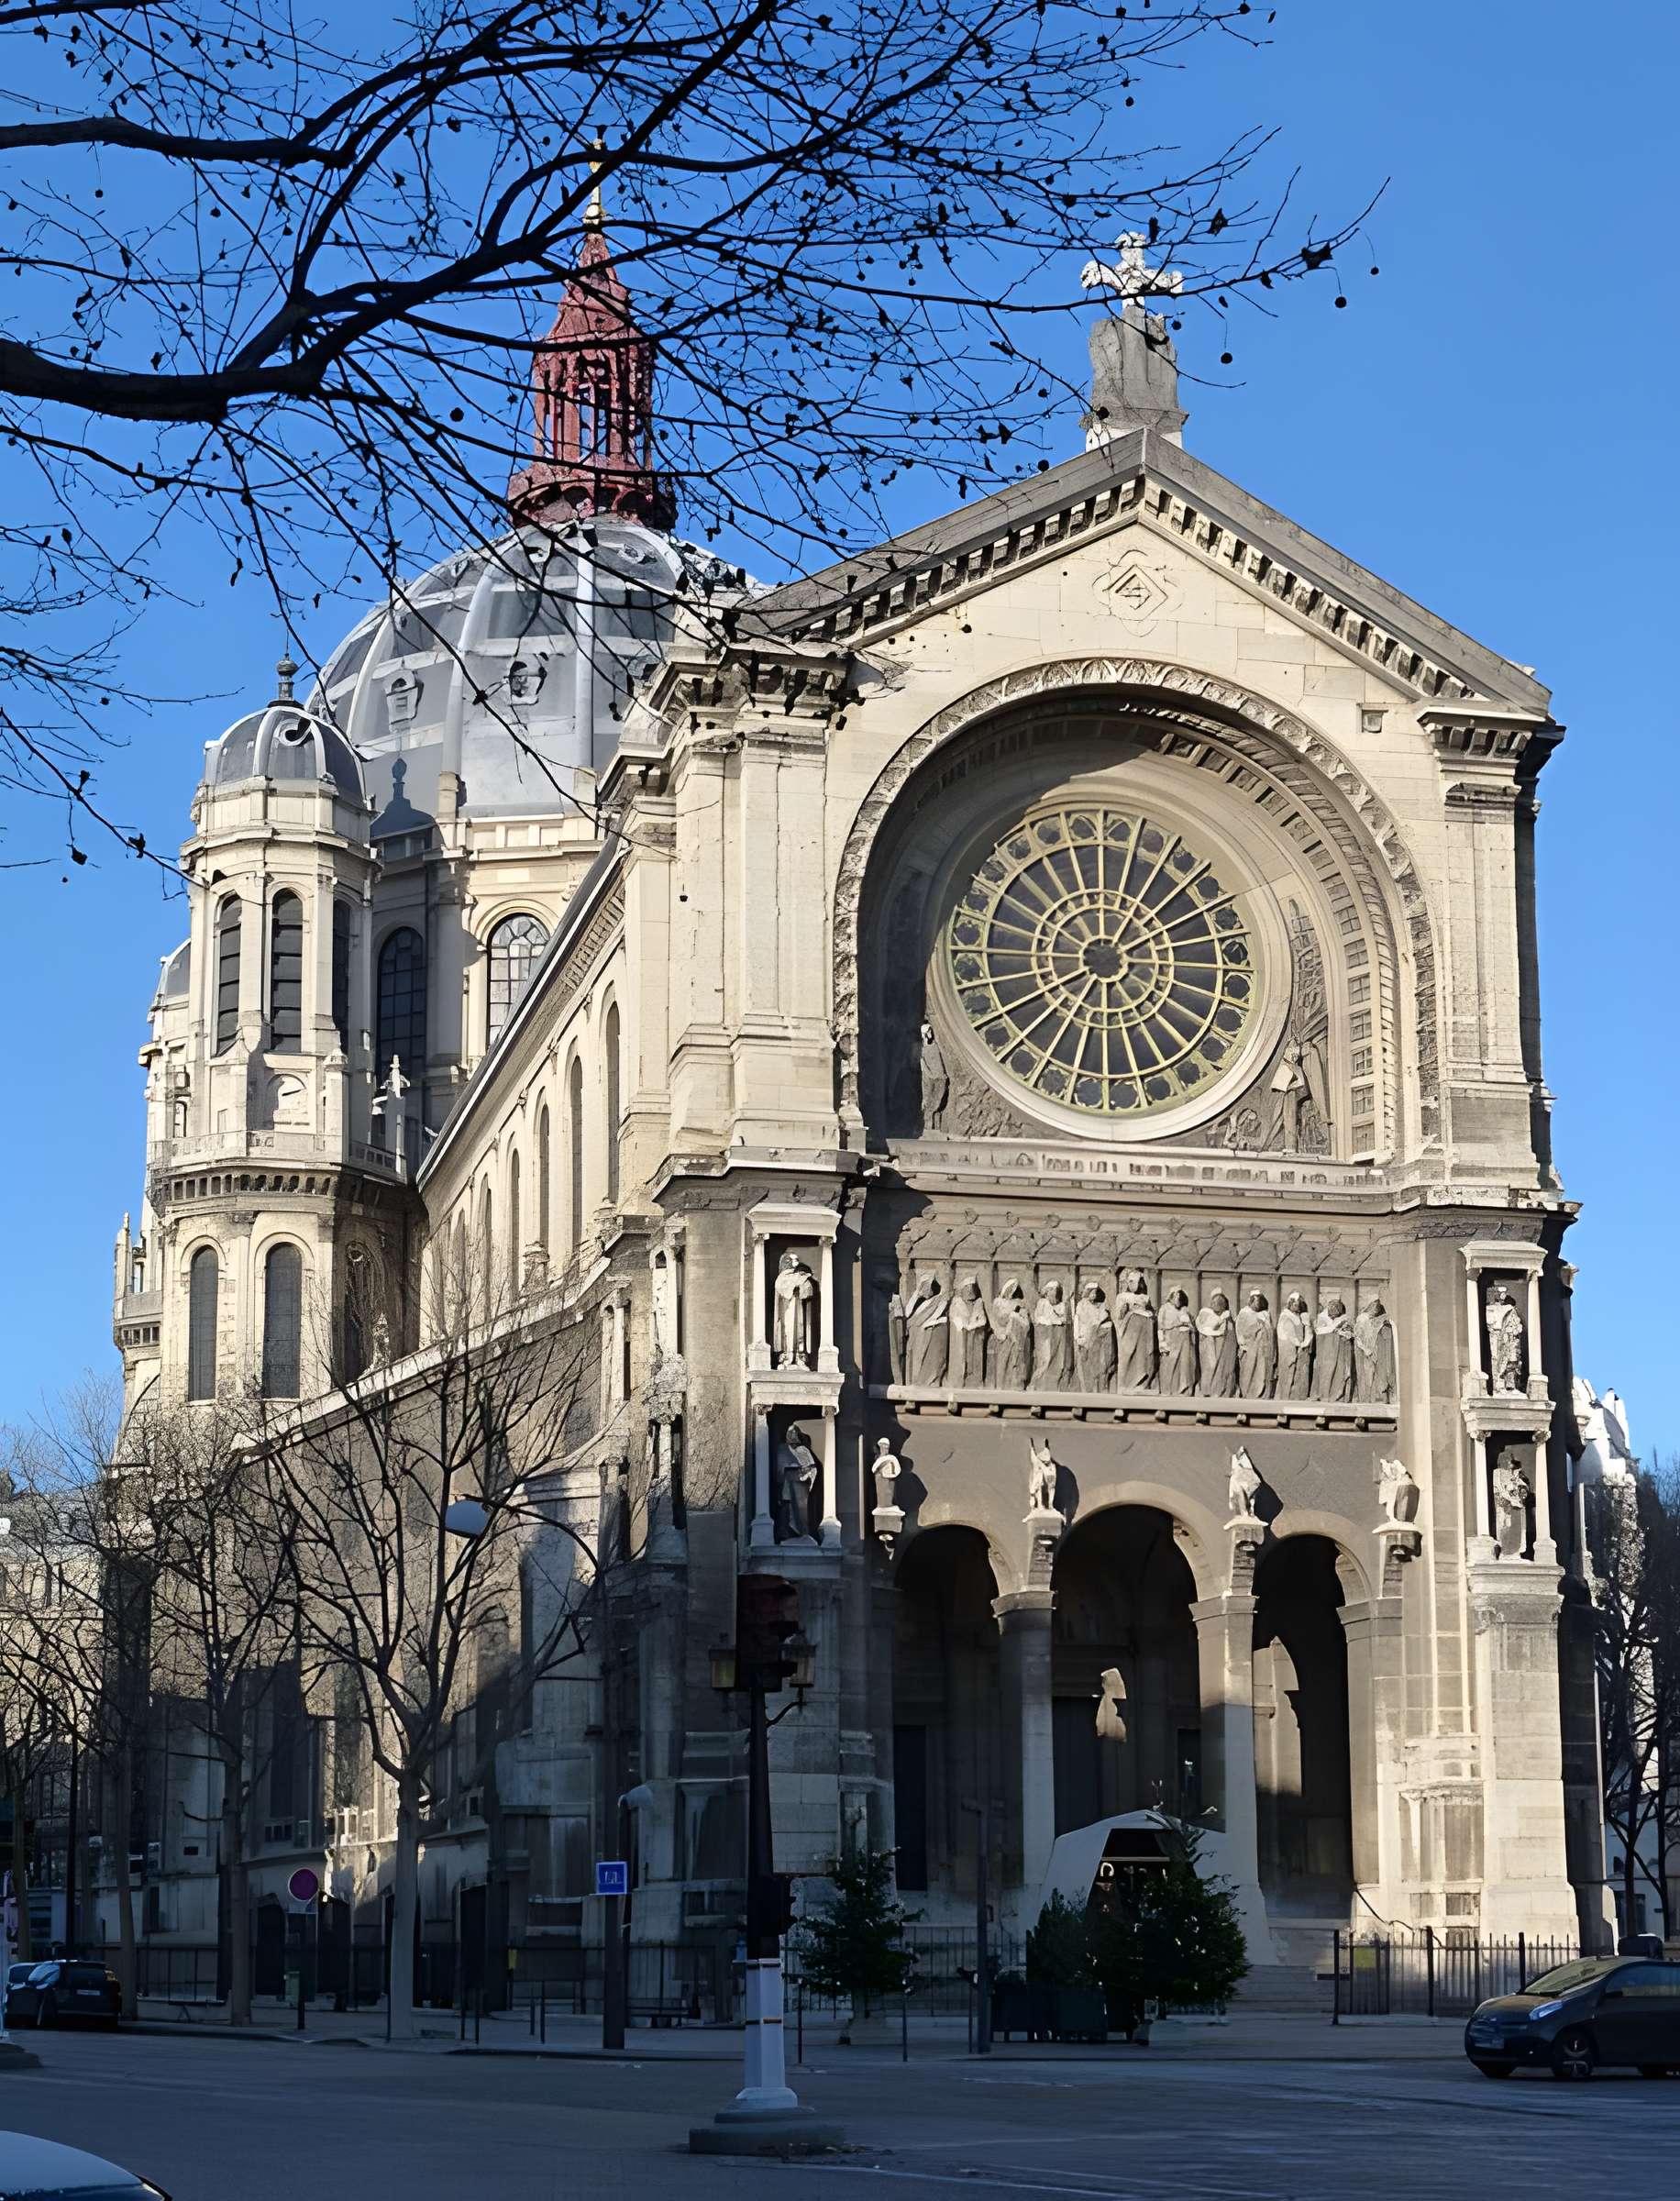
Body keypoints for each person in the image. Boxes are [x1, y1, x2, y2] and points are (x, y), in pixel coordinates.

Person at [1196, 1292, 1237, 1397]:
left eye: (1221, 1303)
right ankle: (1207, 1391)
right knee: (1210, 1367)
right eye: (1215, 1302)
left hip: (1225, 1349)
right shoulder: (1205, 1313)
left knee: (1225, 1369)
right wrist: (1221, 1318)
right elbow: (1207, 1328)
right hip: (1210, 1347)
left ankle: (1224, 1391)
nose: (1217, 1305)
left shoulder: (1228, 1317)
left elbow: (1231, 1333)